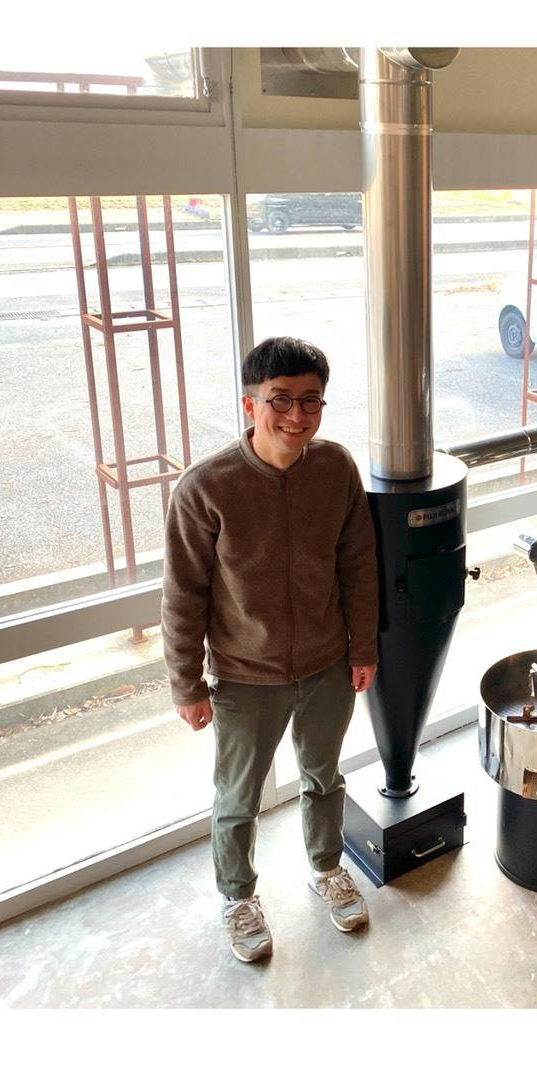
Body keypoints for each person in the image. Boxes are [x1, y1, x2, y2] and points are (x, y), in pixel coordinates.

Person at [162, 336, 380, 963]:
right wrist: (186, 683)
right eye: (279, 399)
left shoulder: (335, 468)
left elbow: (358, 566)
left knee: (324, 777)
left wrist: (362, 648)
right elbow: (182, 596)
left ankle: (327, 867)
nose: (296, 415)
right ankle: (237, 897)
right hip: (243, 675)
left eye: (311, 400)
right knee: (238, 798)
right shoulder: (205, 487)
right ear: (250, 404)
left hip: (327, 664)